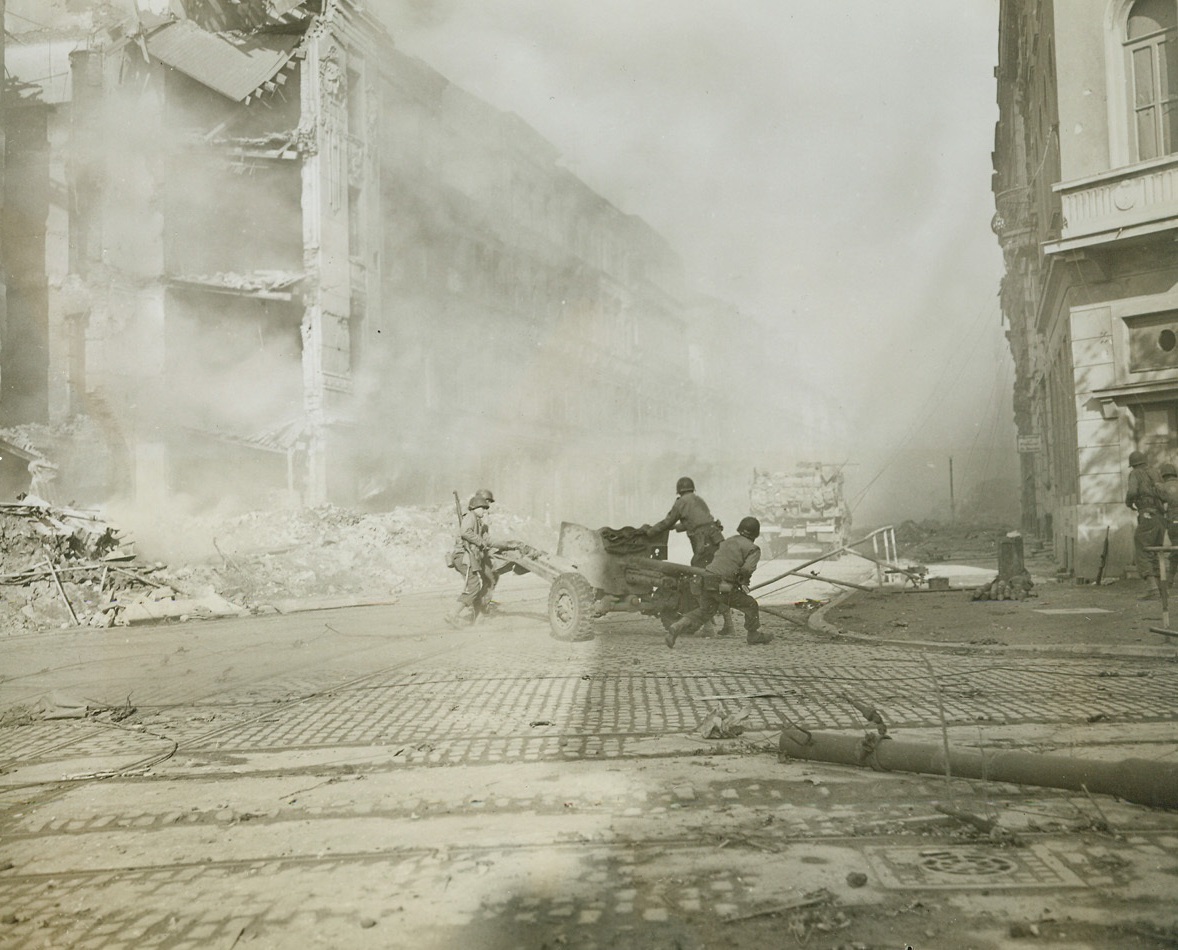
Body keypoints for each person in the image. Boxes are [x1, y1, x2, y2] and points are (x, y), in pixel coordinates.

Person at [642, 476, 733, 636]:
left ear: (679, 491)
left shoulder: (681, 502)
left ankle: (708, 627)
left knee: (698, 582)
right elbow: (698, 521)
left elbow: (667, 522)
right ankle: (729, 624)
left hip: (704, 544)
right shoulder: (699, 500)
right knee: (717, 581)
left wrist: (650, 532)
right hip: (716, 541)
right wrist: (677, 527)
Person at [665, 516, 771, 647]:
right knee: (750, 604)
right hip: (723, 585)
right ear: (756, 534)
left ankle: (677, 626)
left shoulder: (728, 541)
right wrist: (742, 582)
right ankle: (753, 635)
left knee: (704, 611)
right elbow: (746, 570)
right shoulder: (753, 549)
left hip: (707, 580)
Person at [445, 491, 497, 626]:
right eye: (483, 508)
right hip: (463, 557)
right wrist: (480, 541)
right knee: (474, 587)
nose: (484, 511)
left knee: (476, 586)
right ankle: (453, 614)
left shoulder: (477, 520)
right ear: (475, 508)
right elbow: (465, 532)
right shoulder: (471, 517)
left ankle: (478, 617)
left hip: (468, 557)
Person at [1125, 450, 1165, 599]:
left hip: (1147, 514)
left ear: (1133, 464)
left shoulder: (1135, 474)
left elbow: (1132, 492)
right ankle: (1160, 588)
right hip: (1160, 516)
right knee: (1155, 549)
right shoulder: (1156, 472)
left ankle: (1152, 589)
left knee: (1142, 547)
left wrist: (1129, 503)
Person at [1159, 463, 1178, 586]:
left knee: (1175, 548)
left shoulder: (1162, 487)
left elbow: (1159, 503)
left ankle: (1170, 580)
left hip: (1173, 522)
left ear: (1163, 475)